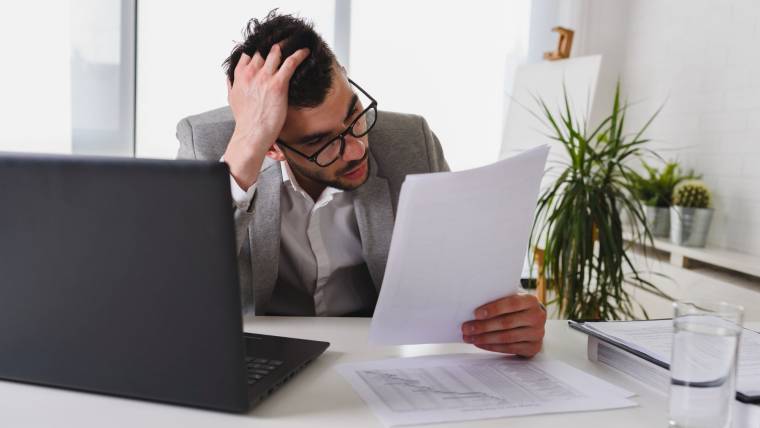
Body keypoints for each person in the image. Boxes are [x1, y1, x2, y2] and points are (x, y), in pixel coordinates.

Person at [176, 11, 546, 357]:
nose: (355, 149)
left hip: (374, 360)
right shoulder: (213, 146)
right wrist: (246, 148)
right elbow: (180, 286)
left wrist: (512, 316)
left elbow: (464, 269)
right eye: (320, 142)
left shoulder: (410, 141)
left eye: (353, 114)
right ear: (272, 146)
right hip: (261, 356)